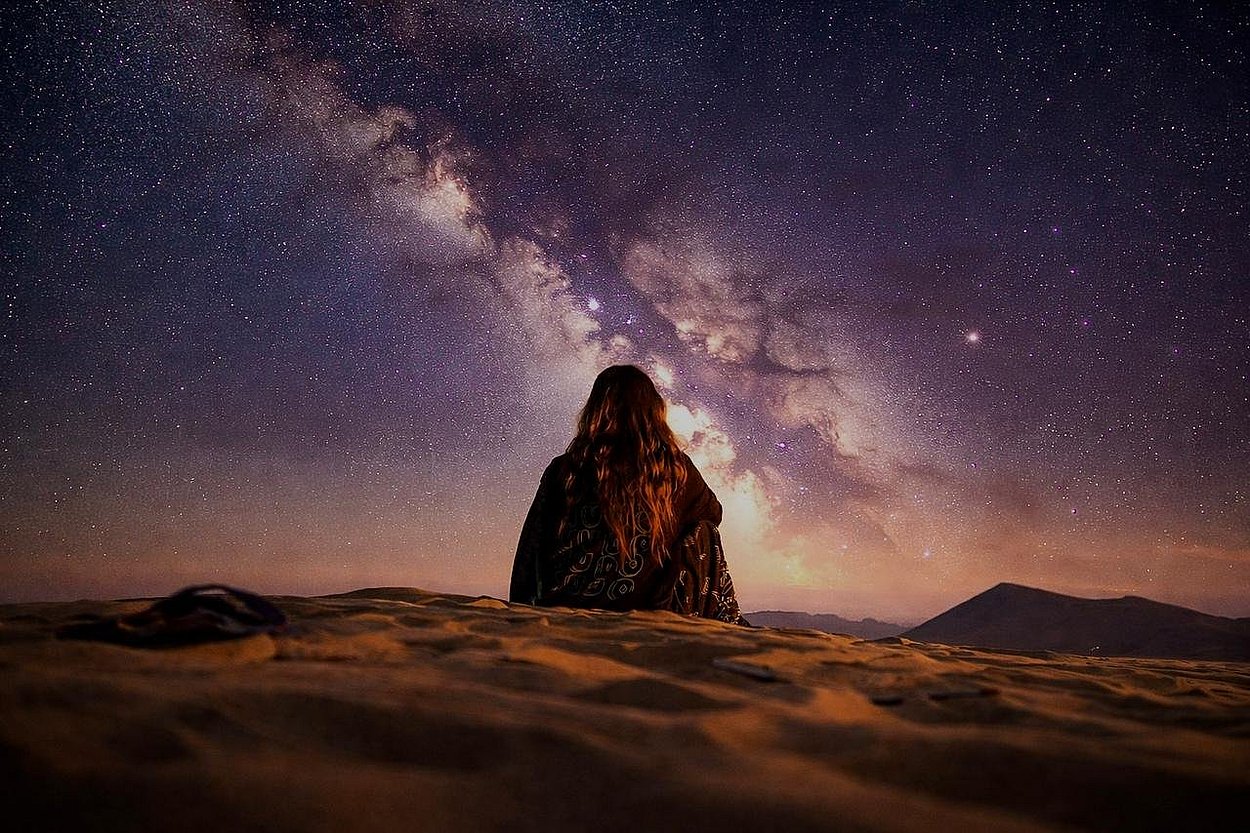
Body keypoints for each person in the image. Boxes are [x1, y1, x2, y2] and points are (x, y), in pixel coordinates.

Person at [509, 364, 745, 625]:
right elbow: (713, 514)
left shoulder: (565, 468)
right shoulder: (676, 470)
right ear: (653, 410)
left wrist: (520, 605)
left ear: (595, 409)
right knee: (704, 531)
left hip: (566, 602)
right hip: (646, 610)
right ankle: (717, 622)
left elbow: (533, 544)